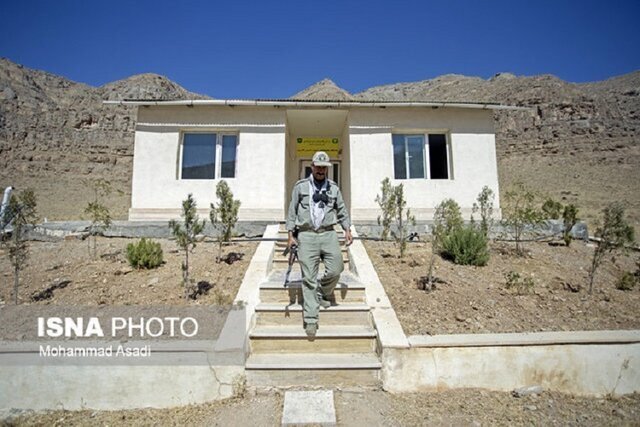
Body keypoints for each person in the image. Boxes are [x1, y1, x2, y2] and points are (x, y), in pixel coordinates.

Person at [286, 151, 353, 337]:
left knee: (336, 268)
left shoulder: (334, 188)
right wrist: (291, 235)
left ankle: (322, 293)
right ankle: (311, 319)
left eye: (324, 167)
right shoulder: (300, 187)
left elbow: (341, 210)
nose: (321, 170)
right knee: (308, 278)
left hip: (328, 233)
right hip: (306, 235)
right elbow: (292, 212)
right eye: (318, 166)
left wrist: (347, 229)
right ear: (312, 166)